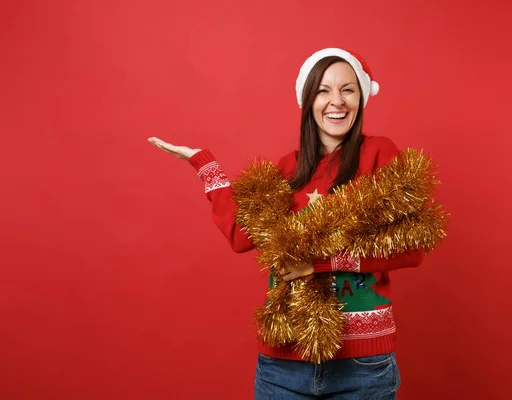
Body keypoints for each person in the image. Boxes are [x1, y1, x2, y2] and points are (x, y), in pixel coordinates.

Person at [148, 48, 425, 399]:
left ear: (362, 97)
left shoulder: (380, 154)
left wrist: (321, 264)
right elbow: (240, 236)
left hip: (362, 366)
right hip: (282, 364)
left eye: (348, 89)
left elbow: (413, 247)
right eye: (323, 90)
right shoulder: (287, 169)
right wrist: (206, 165)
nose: (336, 101)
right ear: (308, 100)